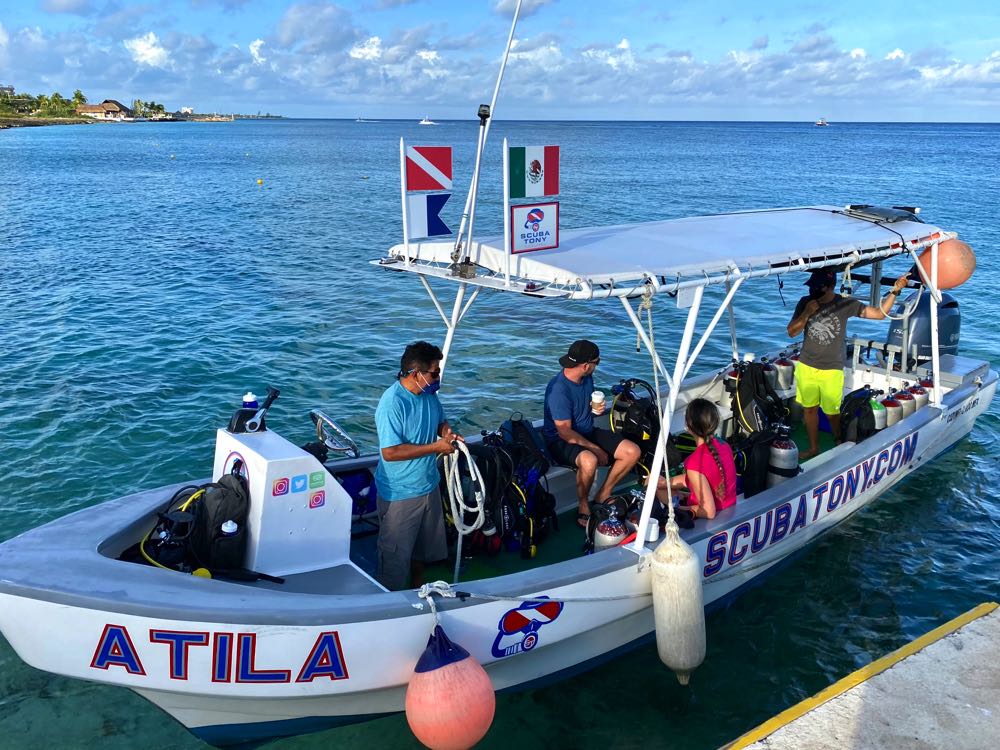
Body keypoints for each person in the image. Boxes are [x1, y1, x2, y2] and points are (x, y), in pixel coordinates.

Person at [787, 268, 910, 458]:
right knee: (809, 409)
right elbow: (791, 332)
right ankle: (813, 448)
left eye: (817, 287)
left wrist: (895, 291)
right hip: (807, 365)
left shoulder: (845, 304)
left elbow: (878, 314)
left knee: (831, 412)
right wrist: (807, 313)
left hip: (832, 368)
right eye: (811, 287)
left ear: (831, 287)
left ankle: (838, 440)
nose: (813, 291)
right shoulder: (805, 302)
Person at [374, 341, 461, 591]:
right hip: (401, 494)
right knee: (394, 560)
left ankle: (418, 590)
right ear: (416, 374)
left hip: (428, 486)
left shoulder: (429, 394)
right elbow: (390, 452)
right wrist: (436, 448)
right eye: (434, 372)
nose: (438, 377)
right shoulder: (392, 404)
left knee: (422, 552)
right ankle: (389, 606)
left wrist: (447, 433)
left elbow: (439, 421)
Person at [542, 340, 641, 528]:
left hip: (587, 431)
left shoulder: (586, 379)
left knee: (632, 451)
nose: (597, 365)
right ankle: (584, 504)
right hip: (560, 440)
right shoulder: (558, 390)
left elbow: (582, 407)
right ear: (586, 365)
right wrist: (596, 449)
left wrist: (595, 409)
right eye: (597, 362)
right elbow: (564, 432)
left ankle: (603, 494)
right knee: (590, 460)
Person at [649, 399, 737, 520]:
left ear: (688, 425)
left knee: (657, 492)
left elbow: (708, 512)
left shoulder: (694, 462)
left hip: (711, 515)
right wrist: (665, 482)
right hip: (729, 506)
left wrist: (676, 509)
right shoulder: (724, 445)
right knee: (660, 487)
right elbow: (708, 477)